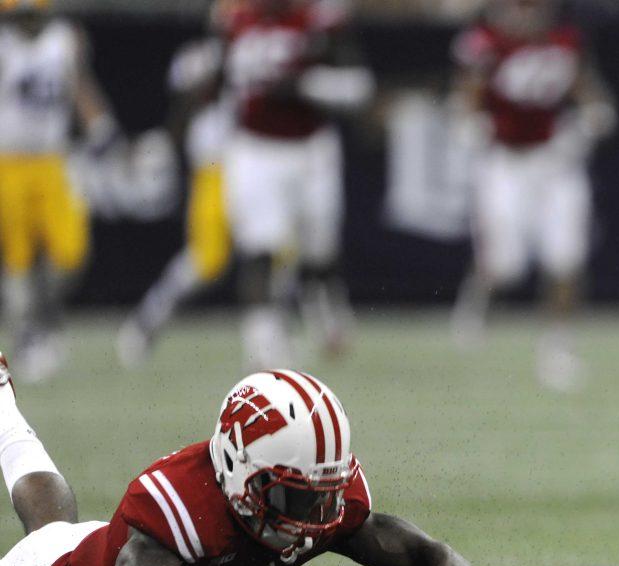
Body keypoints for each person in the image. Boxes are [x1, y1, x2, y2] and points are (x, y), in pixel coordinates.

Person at [0, 360, 477, 566]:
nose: (316, 516)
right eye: (295, 498)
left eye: (326, 494)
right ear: (233, 469)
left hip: (85, 552)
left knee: (51, 529)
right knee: (45, 540)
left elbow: (436, 556)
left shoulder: (319, 499)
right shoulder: (183, 503)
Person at [449, 0, 617, 393]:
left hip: (555, 163)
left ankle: (557, 345)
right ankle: (478, 296)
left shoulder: (565, 40)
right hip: (505, 162)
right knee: (504, 264)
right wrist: (472, 124)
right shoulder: (485, 42)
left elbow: (590, 93)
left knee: (566, 256)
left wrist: (591, 119)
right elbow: (466, 98)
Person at [222, 0, 374, 368]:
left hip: (310, 148)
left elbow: (358, 86)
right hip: (254, 148)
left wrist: (308, 86)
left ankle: (324, 307)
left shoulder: (321, 19)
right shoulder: (233, 18)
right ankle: (263, 344)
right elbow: (216, 83)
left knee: (319, 246)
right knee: (261, 247)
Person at [0, 0, 119, 382]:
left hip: (52, 161)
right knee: (18, 262)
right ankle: (27, 338)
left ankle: (44, 324)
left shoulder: (64, 40)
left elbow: (78, 86)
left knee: (70, 253)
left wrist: (100, 124)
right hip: (9, 163)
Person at [117, 23, 234, 368]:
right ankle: (146, 320)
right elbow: (184, 110)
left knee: (275, 249)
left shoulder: (269, 46)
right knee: (206, 260)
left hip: (258, 161)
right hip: (214, 167)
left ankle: (269, 341)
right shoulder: (197, 58)